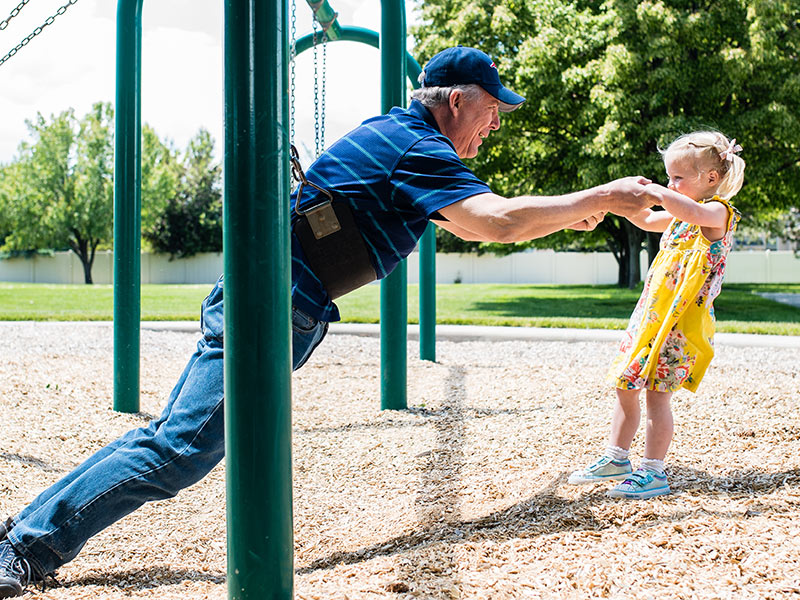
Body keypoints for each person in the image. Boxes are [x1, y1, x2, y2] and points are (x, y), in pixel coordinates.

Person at [0, 46, 654, 597]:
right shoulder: (414, 145)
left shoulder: (406, 141)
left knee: (181, 442)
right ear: (455, 99)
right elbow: (499, 222)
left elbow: (485, 228)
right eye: (493, 108)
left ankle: (28, 532)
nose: (496, 125)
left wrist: (571, 212)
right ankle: (29, 545)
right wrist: (608, 197)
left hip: (284, 296)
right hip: (276, 300)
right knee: (179, 447)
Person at [567, 130, 745, 500]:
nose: (670, 184)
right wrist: (616, 201)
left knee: (656, 394)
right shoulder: (680, 217)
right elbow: (648, 220)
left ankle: (653, 471)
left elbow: (688, 210)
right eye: (669, 177)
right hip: (651, 315)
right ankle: (616, 457)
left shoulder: (717, 213)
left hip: (679, 323)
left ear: (711, 179)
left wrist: (655, 192)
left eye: (678, 177)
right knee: (625, 381)